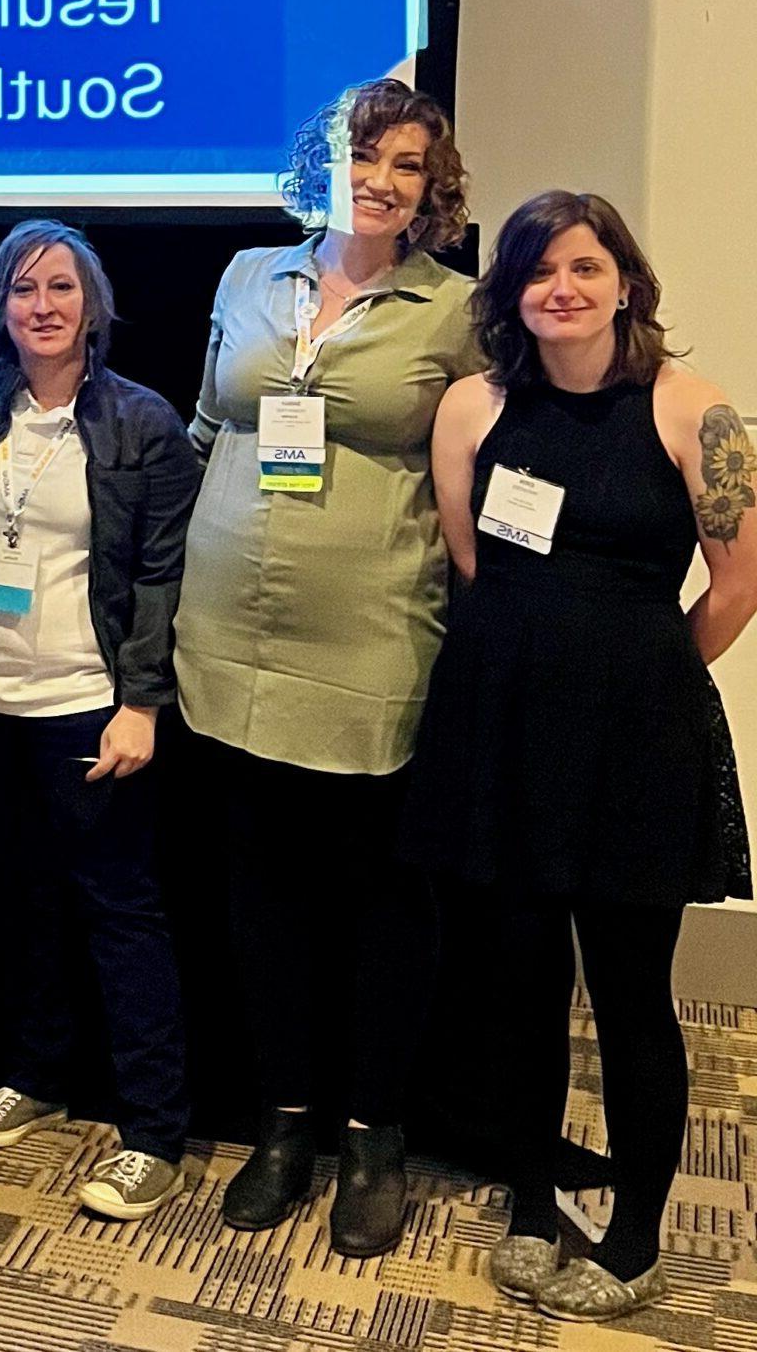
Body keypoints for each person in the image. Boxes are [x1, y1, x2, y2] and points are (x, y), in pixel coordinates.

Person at [404, 193, 753, 1320]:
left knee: (631, 996)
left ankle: (640, 1230)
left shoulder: (698, 416)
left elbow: (739, 582)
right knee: (518, 988)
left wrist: (646, 670)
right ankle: (529, 1202)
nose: (562, 286)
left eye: (584, 265)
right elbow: (470, 563)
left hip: (632, 746)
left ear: (625, 283)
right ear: (506, 291)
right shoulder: (470, 405)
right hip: (498, 729)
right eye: (536, 269)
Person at [172, 78, 480, 1256]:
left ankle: (373, 1132)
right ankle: (284, 1123)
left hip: (373, 642)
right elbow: (211, 426)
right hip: (229, 635)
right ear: (324, 165)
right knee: (262, 902)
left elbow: (473, 472)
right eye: (362, 155)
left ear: (431, 189)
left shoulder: (455, 311)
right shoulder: (249, 275)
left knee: (379, 905)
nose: (381, 178)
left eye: (407, 163)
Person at [0, 221, 202, 1221]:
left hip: (87, 707)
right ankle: (37, 1074)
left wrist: (141, 702)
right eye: (20, 288)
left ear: (92, 303)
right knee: (14, 902)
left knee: (119, 912)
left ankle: (152, 1130)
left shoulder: (141, 422)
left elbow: (165, 575)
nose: (39, 305)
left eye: (59, 287)